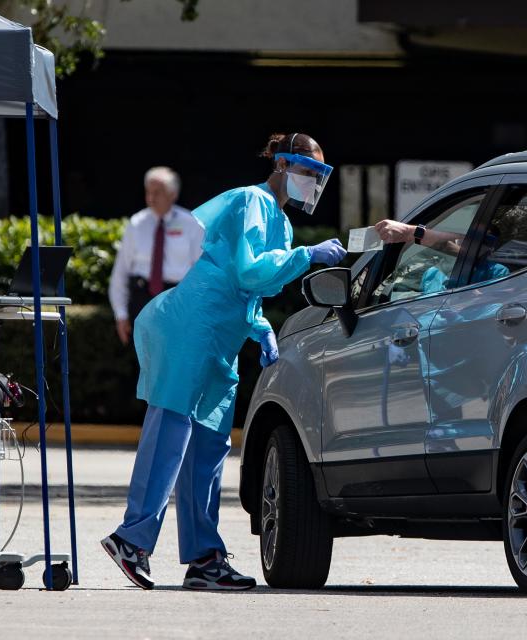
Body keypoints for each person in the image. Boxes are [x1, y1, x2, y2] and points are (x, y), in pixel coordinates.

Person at [101, 132, 347, 591]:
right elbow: (249, 269)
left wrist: (258, 325)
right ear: (282, 165)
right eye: (307, 172)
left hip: (221, 335)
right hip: (191, 327)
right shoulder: (251, 201)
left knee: (210, 448)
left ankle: (204, 559)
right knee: (171, 430)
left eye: (318, 176)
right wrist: (308, 257)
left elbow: (248, 287)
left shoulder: (282, 221)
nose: (313, 182)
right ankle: (131, 539)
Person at [108, 166, 203, 345]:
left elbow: (200, 271)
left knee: (175, 362)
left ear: (173, 194)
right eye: (148, 192)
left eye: (157, 192)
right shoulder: (137, 223)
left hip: (178, 300)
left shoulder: (191, 223)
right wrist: (120, 314)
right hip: (142, 300)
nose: (151, 198)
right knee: (145, 365)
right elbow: (120, 273)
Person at [374, 219, 509, 293]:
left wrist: (409, 232)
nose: (474, 244)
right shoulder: (432, 273)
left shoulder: (497, 272)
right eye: (468, 237)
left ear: (492, 248)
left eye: (485, 241)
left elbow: (491, 306)